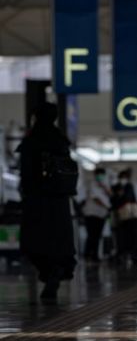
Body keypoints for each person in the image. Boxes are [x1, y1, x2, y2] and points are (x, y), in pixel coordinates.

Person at [17, 102, 77, 302]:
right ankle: (56, 270)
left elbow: (25, 174)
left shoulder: (31, 141)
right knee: (59, 241)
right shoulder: (60, 140)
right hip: (59, 201)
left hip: (36, 200)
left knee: (35, 241)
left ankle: (48, 272)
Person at [83, 168, 111, 263]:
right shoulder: (92, 184)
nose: (100, 176)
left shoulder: (105, 185)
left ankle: (94, 255)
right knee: (92, 235)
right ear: (95, 175)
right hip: (91, 213)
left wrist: (105, 188)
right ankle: (87, 254)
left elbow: (111, 195)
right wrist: (107, 206)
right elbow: (95, 199)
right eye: (99, 174)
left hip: (101, 215)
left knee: (97, 236)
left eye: (102, 174)